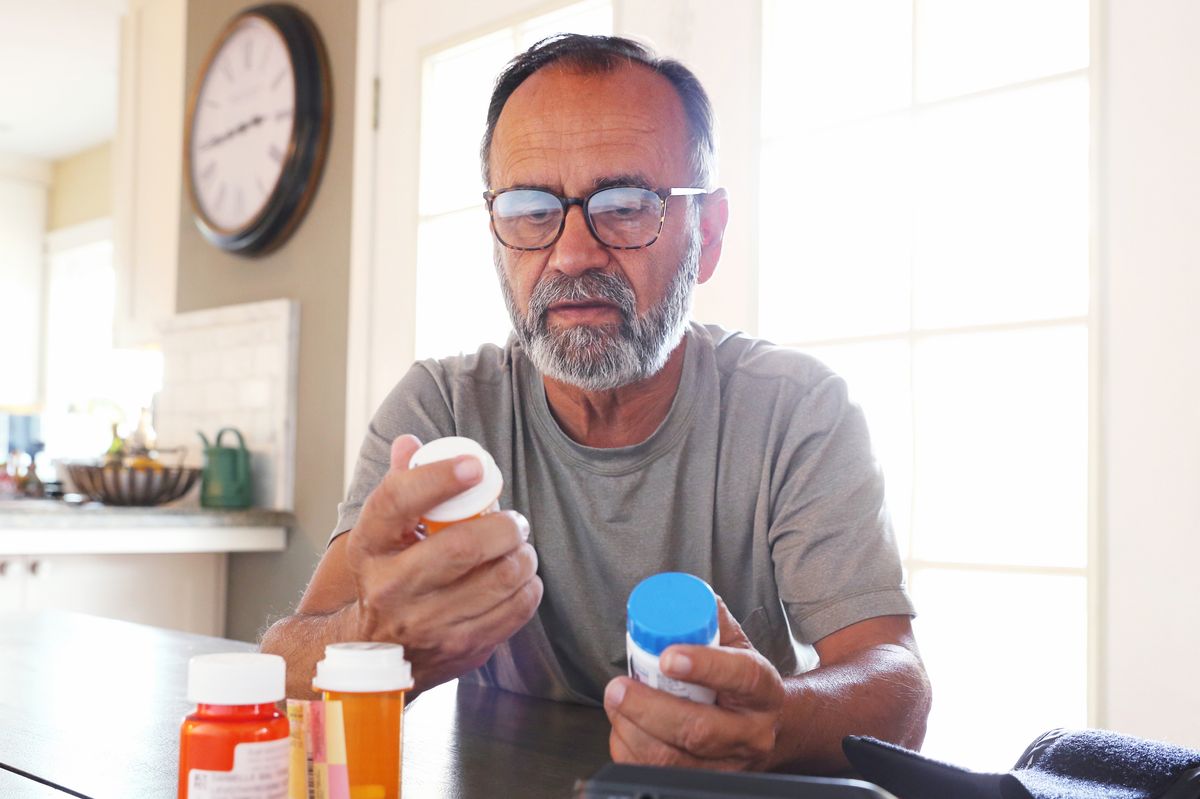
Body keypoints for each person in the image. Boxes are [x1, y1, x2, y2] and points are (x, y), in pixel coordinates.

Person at [262, 33, 931, 773]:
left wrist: (774, 723)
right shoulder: (441, 413)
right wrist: (374, 631)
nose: (573, 253)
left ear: (707, 234)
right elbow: (283, 675)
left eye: (627, 206)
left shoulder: (796, 411)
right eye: (529, 209)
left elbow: (897, 686)